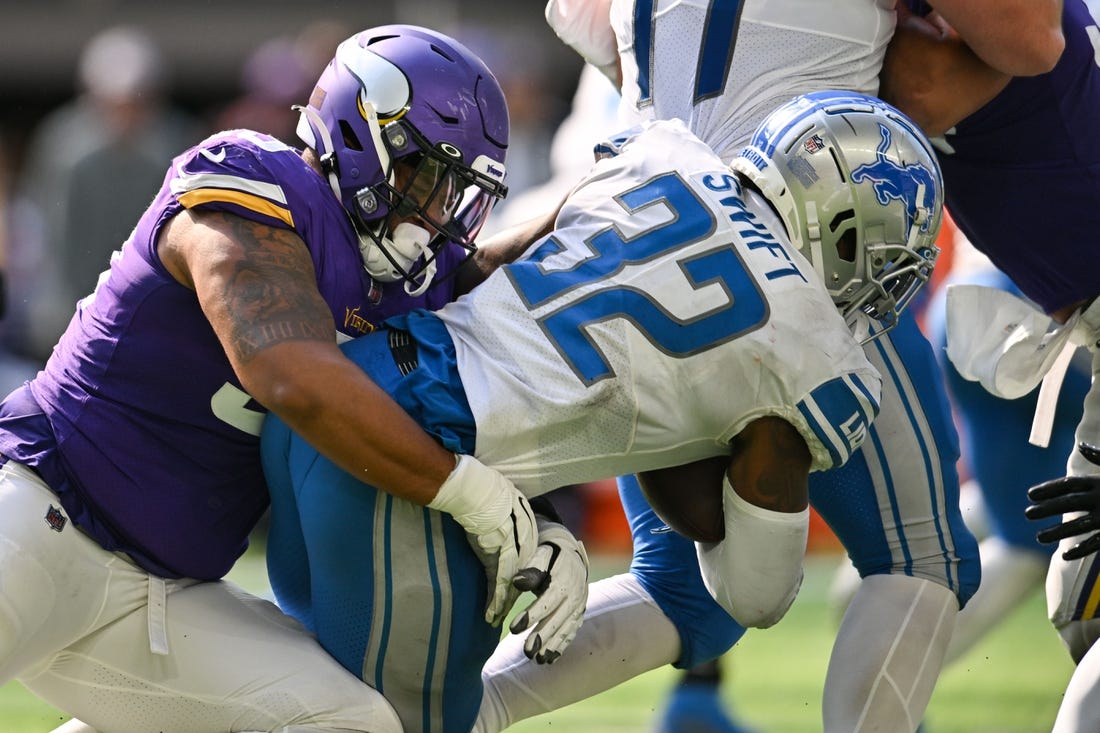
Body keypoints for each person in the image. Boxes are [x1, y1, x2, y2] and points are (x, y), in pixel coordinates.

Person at [261, 89, 941, 733]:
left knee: (318, 687)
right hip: (410, 457)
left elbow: (490, 270)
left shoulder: (664, 153)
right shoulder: (811, 355)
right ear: (844, 222)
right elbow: (755, 594)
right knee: (407, 720)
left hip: (349, 393)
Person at [0, 24, 562, 733]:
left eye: (455, 196)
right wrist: (475, 494)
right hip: (39, 516)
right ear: (363, 136)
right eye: (426, 181)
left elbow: (485, 371)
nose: (434, 216)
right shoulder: (253, 180)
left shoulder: (413, 281)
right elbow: (290, 374)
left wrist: (544, 522)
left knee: (351, 723)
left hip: (165, 596)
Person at [476, 3, 983, 733]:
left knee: (681, 591)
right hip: (804, 237)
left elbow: (602, 39)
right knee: (921, 560)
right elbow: (1021, 42)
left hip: (650, 236)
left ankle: (461, 712)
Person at [880, 1, 1100, 730]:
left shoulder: (977, 47)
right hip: (1026, 326)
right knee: (1076, 598)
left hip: (1009, 322)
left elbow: (1016, 48)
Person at [13, 25, 202, 363]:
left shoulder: (178, 144)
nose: (125, 114)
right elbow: (49, 234)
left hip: (152, 313)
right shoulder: (64, 147)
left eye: (136, 100)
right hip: (70, 314)